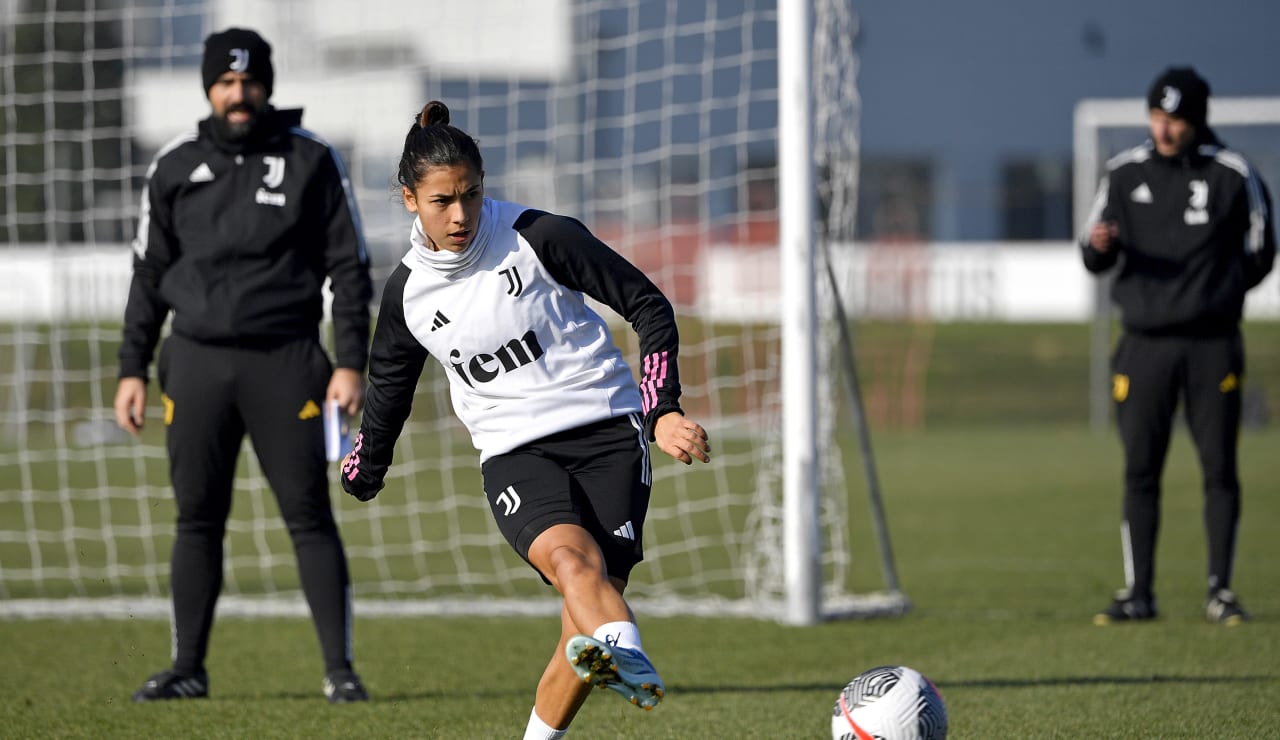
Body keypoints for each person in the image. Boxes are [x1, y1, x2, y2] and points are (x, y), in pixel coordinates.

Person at [339, 100, 711, 738]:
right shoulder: (407, 295)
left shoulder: (541, 236)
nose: (460, 215)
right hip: (514, 451)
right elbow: (389, 387)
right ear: (409, 200)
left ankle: (586, 679)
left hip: (608, 434)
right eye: (441, 202)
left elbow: (648, 305)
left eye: (472, 195)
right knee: (574, 567)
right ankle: (624, 645)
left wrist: (661, 410)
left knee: (579, 623)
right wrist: (365, 463)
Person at [113, 28, 374, 702]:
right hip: (195, 363)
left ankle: (340, 671)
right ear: (209, 87)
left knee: (309, 515)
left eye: (250, 81)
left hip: (287, 363)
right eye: (226, 82)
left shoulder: (311, 159)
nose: (238, 94)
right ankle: (187, 668)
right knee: (196, 518)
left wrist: (350, 362)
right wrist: (131, 368)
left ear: (267, 86)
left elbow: (349, 267)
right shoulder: (173, 165)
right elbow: (148, 273)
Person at [1082, 66, 1275, 626]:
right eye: (1158, 118)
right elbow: (1092, 251)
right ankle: (1138, 592)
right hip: (1143, 348)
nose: (1164, 131)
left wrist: (1217, 291)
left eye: (1176, 121)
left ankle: (1221, 590)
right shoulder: (1123, 173)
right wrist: (1097, 247)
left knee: (1219, 468)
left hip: (1211, 346)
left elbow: (1262, 250)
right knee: (1140, 469)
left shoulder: (1233, 173)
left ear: (1199, 120)